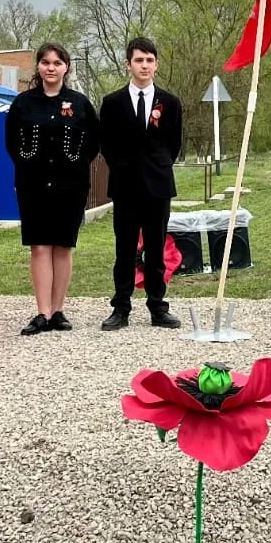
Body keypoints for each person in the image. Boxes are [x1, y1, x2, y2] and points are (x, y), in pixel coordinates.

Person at [3, 43, 100, 335]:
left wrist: (75, 165)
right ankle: (42, 312)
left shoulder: (80, 103)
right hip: (33, 184)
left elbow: (93, 142)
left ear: (66, 67)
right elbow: (12, 142)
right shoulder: (24, 103)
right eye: (45, 62)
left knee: (62, 245)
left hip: (70, 185)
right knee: (40, 246)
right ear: (38, 67)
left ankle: (58, 310)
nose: (51, 68)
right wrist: (28, 164)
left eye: (57, 63)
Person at [98, 37, 184, 330]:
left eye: (149, 60)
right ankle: (120, 307)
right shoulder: (112, 103)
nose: (144, 65)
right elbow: (106, 145)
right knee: (124, 250)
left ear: (156, 65)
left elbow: (174, 145)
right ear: (128, 64)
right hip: (125, 186)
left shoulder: (170, 103)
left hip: (158, 186)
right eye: (138, 60)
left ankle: (158, 307)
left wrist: (156, 167)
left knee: (156, 249)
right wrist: (126, 168)